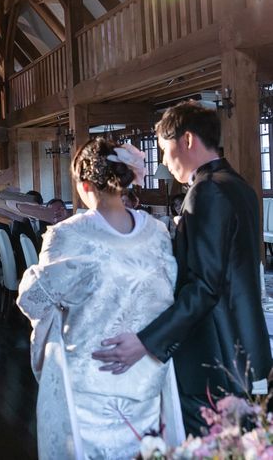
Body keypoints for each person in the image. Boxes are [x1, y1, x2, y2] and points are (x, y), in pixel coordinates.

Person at [92, 101, 273, 437]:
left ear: (187, 140)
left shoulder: (207, 191)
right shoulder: (240, 185)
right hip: (246, 346)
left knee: (214, 449)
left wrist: (146, 342)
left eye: (164, 149)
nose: (163, 160)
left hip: (215, 355)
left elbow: (204, 287)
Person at [17, 138, 182, 459]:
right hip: (145, 377)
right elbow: (168, 297)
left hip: (90, 382)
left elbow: (33, 300)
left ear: (85, 185)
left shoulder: (69, 234)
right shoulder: (158, 233)